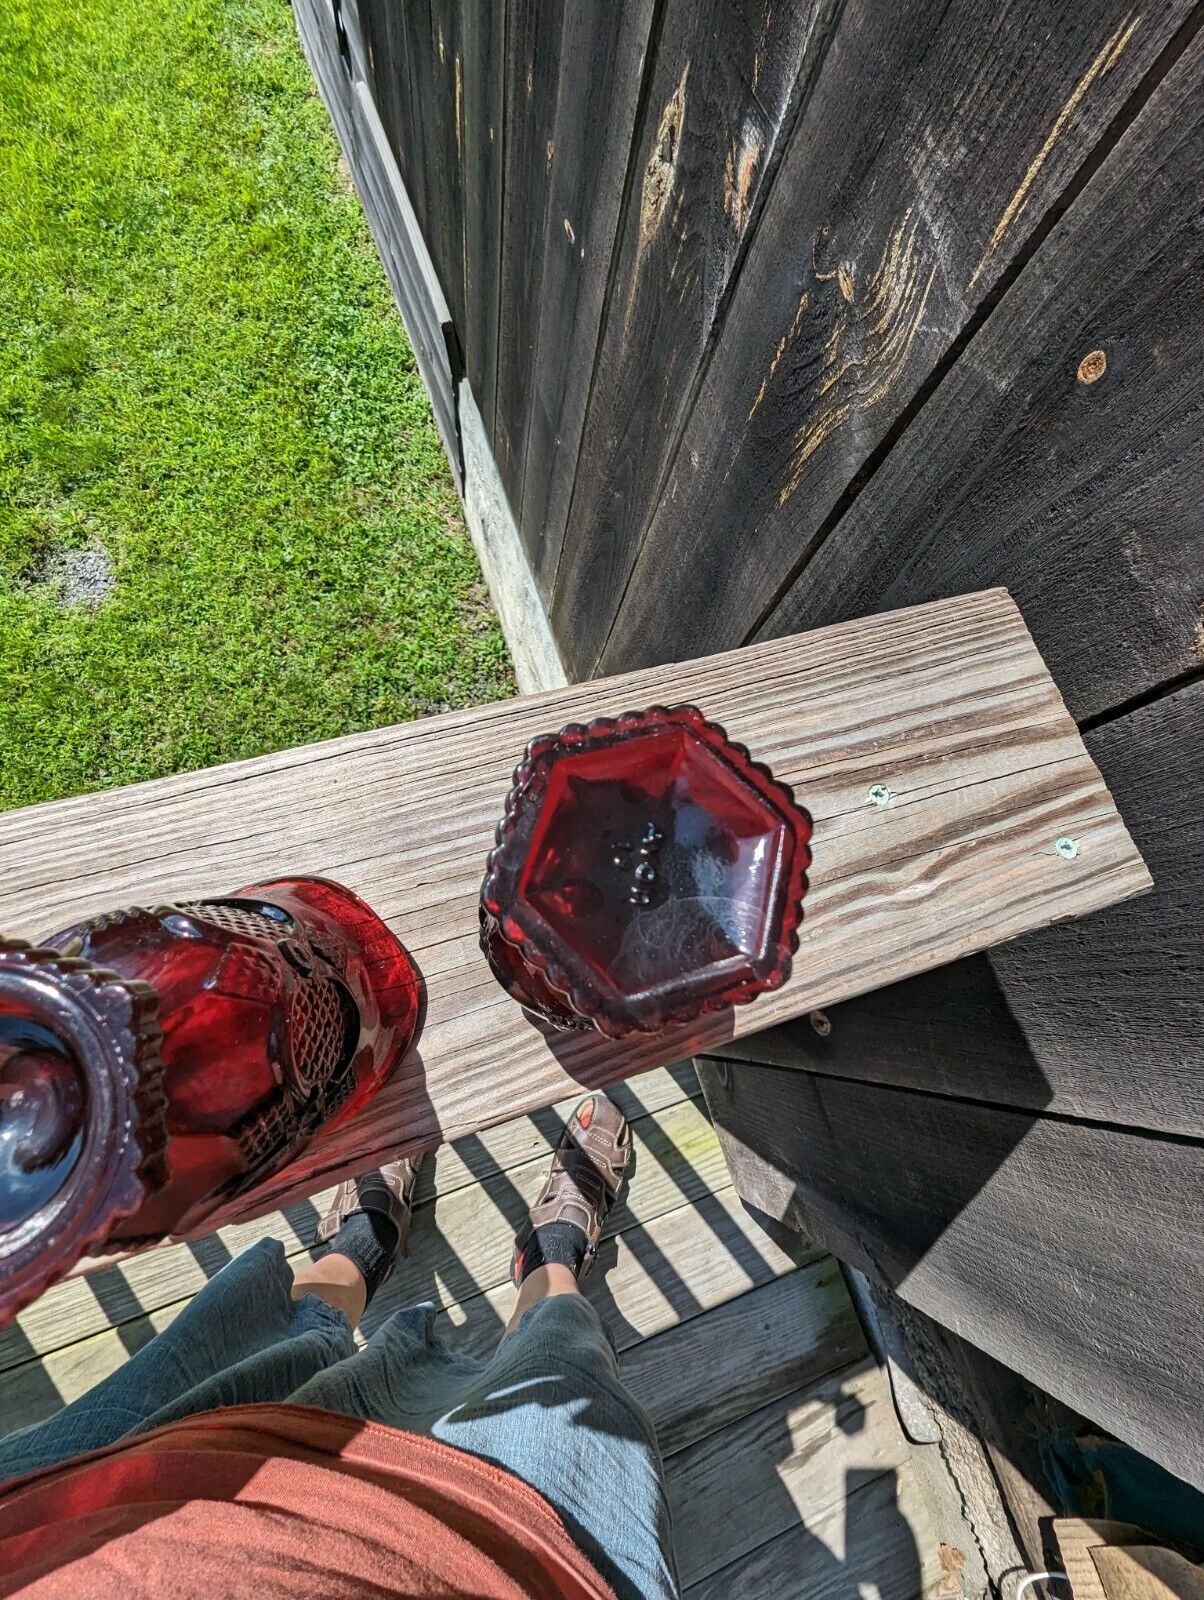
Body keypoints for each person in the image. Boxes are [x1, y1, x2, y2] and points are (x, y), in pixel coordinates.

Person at [0, 1095, 680, 1600]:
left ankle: (363, 1247)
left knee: (265, 1349)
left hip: (76, 1516)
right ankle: (550, 1260)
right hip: (498, 1564)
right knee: (560, 1369)